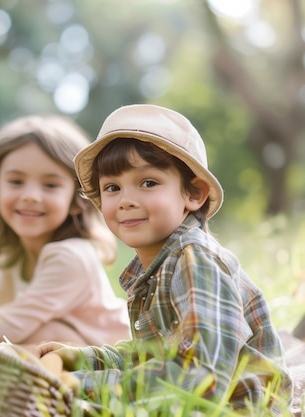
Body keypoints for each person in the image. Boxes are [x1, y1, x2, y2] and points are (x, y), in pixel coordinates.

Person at [38, 104, 293, 413]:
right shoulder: (158, 268)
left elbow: (200, 377)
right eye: (112, 187)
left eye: (148, 183)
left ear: (194, 193)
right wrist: (82, 359)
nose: (127, 201)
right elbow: (151, 358)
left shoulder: (196, 261)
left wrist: (82, 384)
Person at [0, 114, 131, 347]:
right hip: (62, 358)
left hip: (107, 361)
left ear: (77, 199)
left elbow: (4, 327)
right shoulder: (16, 256)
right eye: (16, 181)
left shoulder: (71, 256)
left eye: (51, 185)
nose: (30, 196)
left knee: (39, 336)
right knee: (1, 341)